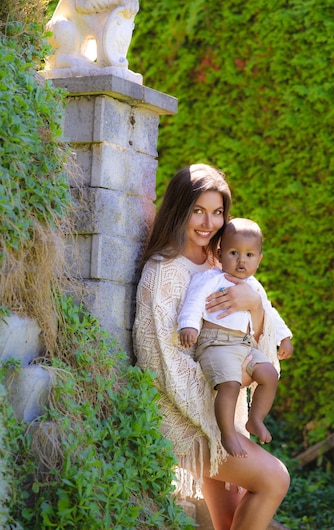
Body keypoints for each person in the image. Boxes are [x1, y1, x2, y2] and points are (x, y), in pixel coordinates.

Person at [132, 164, 290, 530]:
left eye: (217, 212)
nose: (208, 222)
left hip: (223, 407)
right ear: (180, 209)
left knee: (231, 516)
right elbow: (162, 361)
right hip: (183, 417)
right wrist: (221, 418)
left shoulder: (222, 264)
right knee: (273, 478)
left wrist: (253, 304)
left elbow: (252, 336)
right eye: (198, 210)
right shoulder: (164, 271)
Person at [177, 217, 293, 458]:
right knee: (230, 385)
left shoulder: (255, 287)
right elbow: (194, 302)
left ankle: (256, 419)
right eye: (233, 253)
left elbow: (269, 312)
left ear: (259, 259)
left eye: (249, 255)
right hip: (216, 343)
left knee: (269, 374)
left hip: (244, 344)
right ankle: (228, 433)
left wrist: (284, 337)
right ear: (219, 254)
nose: (242, 260)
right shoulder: (210, 279)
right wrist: (189, 326)